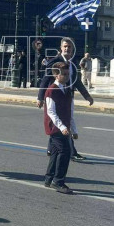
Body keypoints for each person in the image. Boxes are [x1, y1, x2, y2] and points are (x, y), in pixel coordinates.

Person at [36, 38, 94, 161]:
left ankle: (51, 149)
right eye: (65, 46)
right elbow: (45, 79)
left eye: (69, 47)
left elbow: (76, 81)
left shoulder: (73, 63)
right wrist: (40, 97)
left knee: (61, 124)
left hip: (67, 97)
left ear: (72, 49)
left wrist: (87, 96)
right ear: (61, 48)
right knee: (62, 124)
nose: (67, 49)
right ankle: (72, 152)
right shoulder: (55, 61)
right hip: (55, 97)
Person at [43, 62, 77, 194]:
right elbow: (51, 112)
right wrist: (62, 127)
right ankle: (58, 181)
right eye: (64, 74)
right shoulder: (51, 90)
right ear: (56, 75)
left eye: (68, 74)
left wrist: (74, 129)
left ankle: (49, 178)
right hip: (56, 128)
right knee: (65, 152)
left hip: (64, 127)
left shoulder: (67, 90)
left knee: (56, 152)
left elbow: (70, 112)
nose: (67, 76)